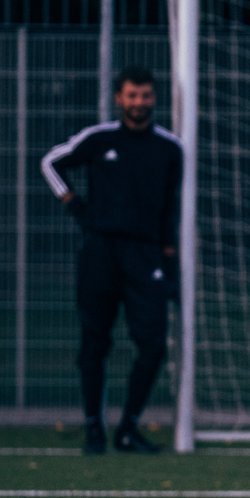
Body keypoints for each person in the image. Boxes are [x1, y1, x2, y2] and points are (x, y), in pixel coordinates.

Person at [40, 66, 182, 456]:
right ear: (119, 98)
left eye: (146, 95)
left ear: (155, 98)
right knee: (94, 342)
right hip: (99, 252)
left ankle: (129, 427)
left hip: (145, 255)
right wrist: (73, 205)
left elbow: (171, 208)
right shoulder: (98, 140)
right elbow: (50, 163)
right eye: (132, 95)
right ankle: (93, 428)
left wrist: (170, 262)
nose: (140, 102)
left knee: (152, 345)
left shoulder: (169, 148)